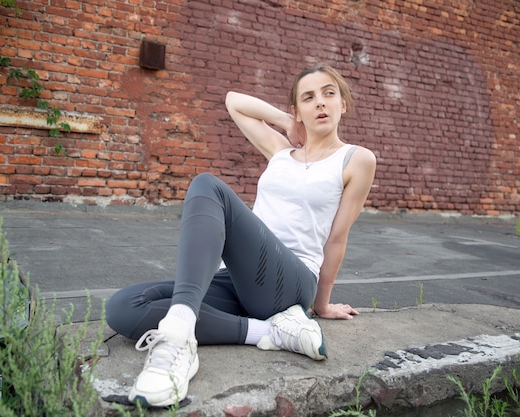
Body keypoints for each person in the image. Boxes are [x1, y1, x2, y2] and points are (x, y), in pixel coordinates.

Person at [105, 63, 377, 408]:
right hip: (238, 280)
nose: (320, 103)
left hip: (291, 282)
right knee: (123, 308)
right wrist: (284, 119)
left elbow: (337, 237)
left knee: (207, 185)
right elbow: (233, 101)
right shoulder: (280, 152)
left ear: (342, 103)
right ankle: (267, 333)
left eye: (328, 93)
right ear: (298, 111)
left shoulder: (356, 159)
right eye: (308, 98)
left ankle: (177, 336)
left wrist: (320, 305)